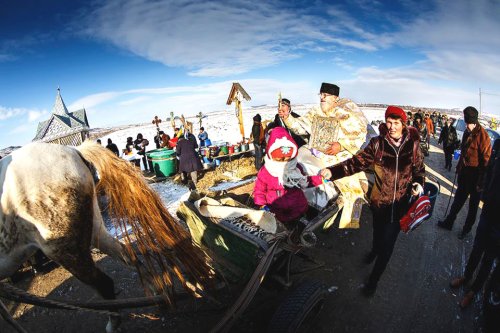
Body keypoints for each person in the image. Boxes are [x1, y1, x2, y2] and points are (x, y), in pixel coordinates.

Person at [320, 106, 425, 296]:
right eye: (388, 122)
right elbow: (355, 163)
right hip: (379, 203)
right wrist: (333, 171)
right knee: (378, 235)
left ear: (403, 124)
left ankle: (373, 280)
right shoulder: (378, 144)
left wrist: (418, 183)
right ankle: (374, 250)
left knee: (388, 246)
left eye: (396, 123)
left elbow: (419, 169)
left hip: (399, 206)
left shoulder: (413, 146)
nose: (391, 127)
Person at [281, 83, 369, 226]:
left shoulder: (346, 112)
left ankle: (342, 221)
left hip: (338, 156)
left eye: (325, 95)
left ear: (335, 97)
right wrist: (287, 118)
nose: (322, 98)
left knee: (351, 191)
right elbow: (300, 126)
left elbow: (359, 135)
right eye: (320, 95)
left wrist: (340, 145)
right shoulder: (316, 112)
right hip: (315, 153)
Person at [449, 138, 500, 308]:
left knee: (489, 257)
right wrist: (483, 187)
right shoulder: (498, 144)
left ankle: (474, 290)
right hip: (488, 210)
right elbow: (489, 169)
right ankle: (466, 276)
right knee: (477, 248)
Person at [438, 106, 492, 239]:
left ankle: (466, 230)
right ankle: (449, 222)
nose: (466, 126)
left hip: (476, 179)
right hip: (465, 176)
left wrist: (481, 183)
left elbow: (486, 162)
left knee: (473, 208)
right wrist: (459, 167)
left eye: (468, 123)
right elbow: (463, 153)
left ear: (474, 122)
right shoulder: (468, 133)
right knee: (457, 201)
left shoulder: (483, 136)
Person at [253, 127, 324, 224]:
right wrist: (261, 205)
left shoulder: (295, 167)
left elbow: (305, 181)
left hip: (297, 206)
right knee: (279, 226)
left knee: (298, 225)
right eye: (280, 159)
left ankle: (299, 224)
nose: (284, 162)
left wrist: (321, 179)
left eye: (288, 159)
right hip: (275, 209)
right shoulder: (266, 171)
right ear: (271, 155)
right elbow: (259, 190)